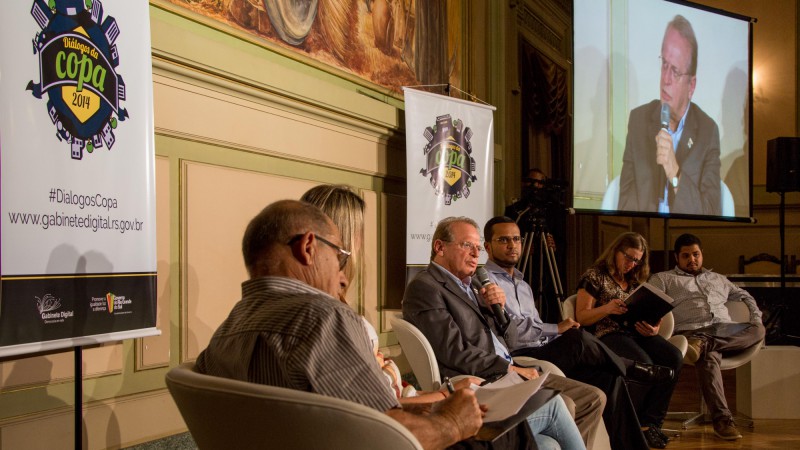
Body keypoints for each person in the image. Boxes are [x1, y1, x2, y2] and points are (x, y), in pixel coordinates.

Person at [303, 184, 584, 450]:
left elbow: (507, 338)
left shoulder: (476, 284)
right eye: (467, 246)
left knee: (550, 442)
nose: (477, 255)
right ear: (440, 247)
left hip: (491, 372)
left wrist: (494, 308)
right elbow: (449, 353)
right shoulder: (424, 288)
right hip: (479, 379)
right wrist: (450, 399)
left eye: (478, 248)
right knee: (558, 404)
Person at [195, 200, 485, 449]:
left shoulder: (226, 330)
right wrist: (453, 422)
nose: (343, 277)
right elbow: (383, 436)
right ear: (308, 247)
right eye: (338, 255)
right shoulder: (323, 318)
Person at [480, 217, 672, 450]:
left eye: (516, 239)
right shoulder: (485, 283)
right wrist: (557, 328)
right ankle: (629, 367)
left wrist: (556, 333)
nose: (512, 245)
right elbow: (510, 334)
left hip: (541, 348)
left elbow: (535, 327)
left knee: (609, 377)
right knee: (578, 337)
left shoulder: (522, 284)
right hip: (521, 357)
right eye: (503, 240)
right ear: (488, 246)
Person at [649, 233, 765, 441]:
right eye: (686, 256)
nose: (692, 259)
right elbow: (651, 303)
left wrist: (756, 317)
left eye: (696, 254)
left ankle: (704, 343)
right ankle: (722, 420)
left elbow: (745, 296)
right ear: (677, 257)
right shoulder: (664, 279)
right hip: (689, 332)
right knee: (709, 357)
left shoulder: (718, 279)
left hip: (724, 330)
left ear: (702, 255)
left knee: (758, 329)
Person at [574, 232, 683, 448]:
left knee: (674, 357)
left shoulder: (634, 280)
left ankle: (652, 423)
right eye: (628, 257)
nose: (631, 264)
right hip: (606, 334)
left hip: (636, 332)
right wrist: (607, 308)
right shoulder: (595, 276)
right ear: (616, 251)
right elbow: (581, 317)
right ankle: (635, 425)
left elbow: (649, 310)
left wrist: (654, 326)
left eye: (636, 260)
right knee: (645, 365)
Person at [618, 15, 721, 215]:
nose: (665, 79)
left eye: (674, 71)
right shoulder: (639, 120)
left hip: (683, 231)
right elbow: (625, 202)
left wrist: (674, 172)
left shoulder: (707, 132)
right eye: (664, 64)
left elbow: (710, 211)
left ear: (691, 86)